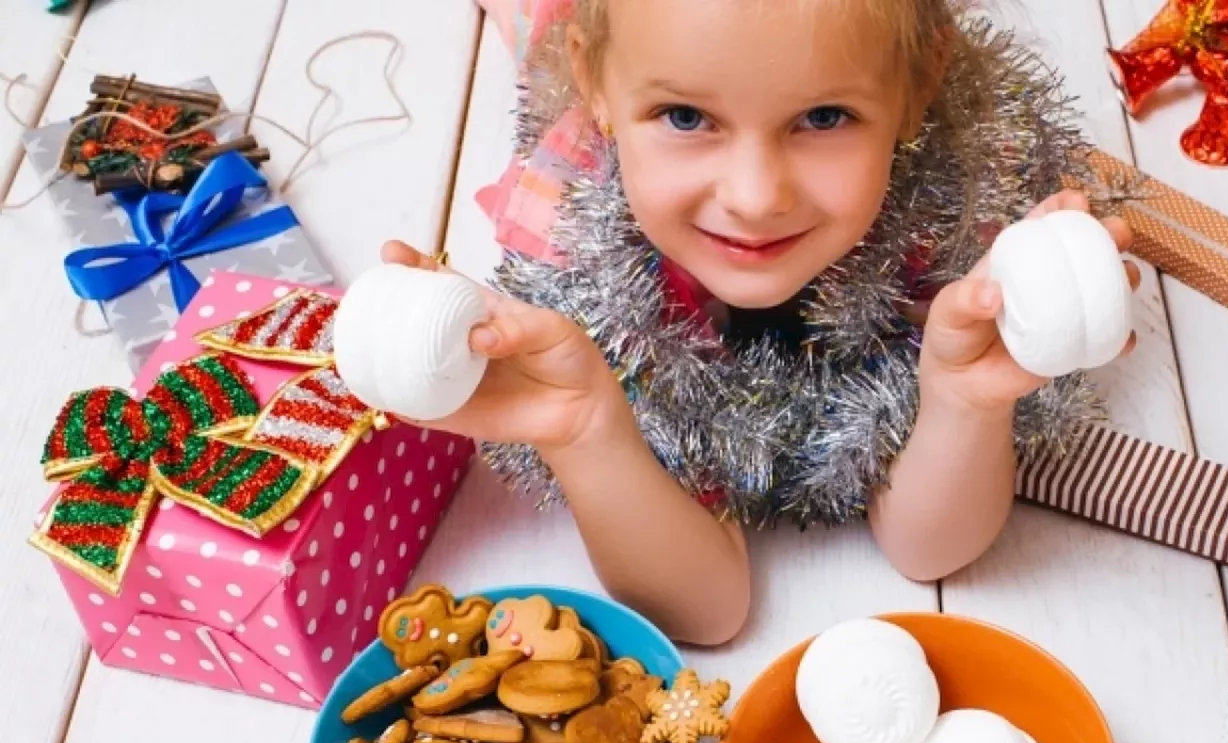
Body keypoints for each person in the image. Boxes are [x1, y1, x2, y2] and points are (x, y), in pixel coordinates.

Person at [382, 0, 1140, 646]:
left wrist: (966, 400)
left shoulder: (959, 204)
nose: (754, 196)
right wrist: (585, 430)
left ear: (921, 81)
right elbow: (708, 612)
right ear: (595, 88)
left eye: (822, 116)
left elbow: (929, 550)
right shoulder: (577, 244)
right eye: (685, 116)